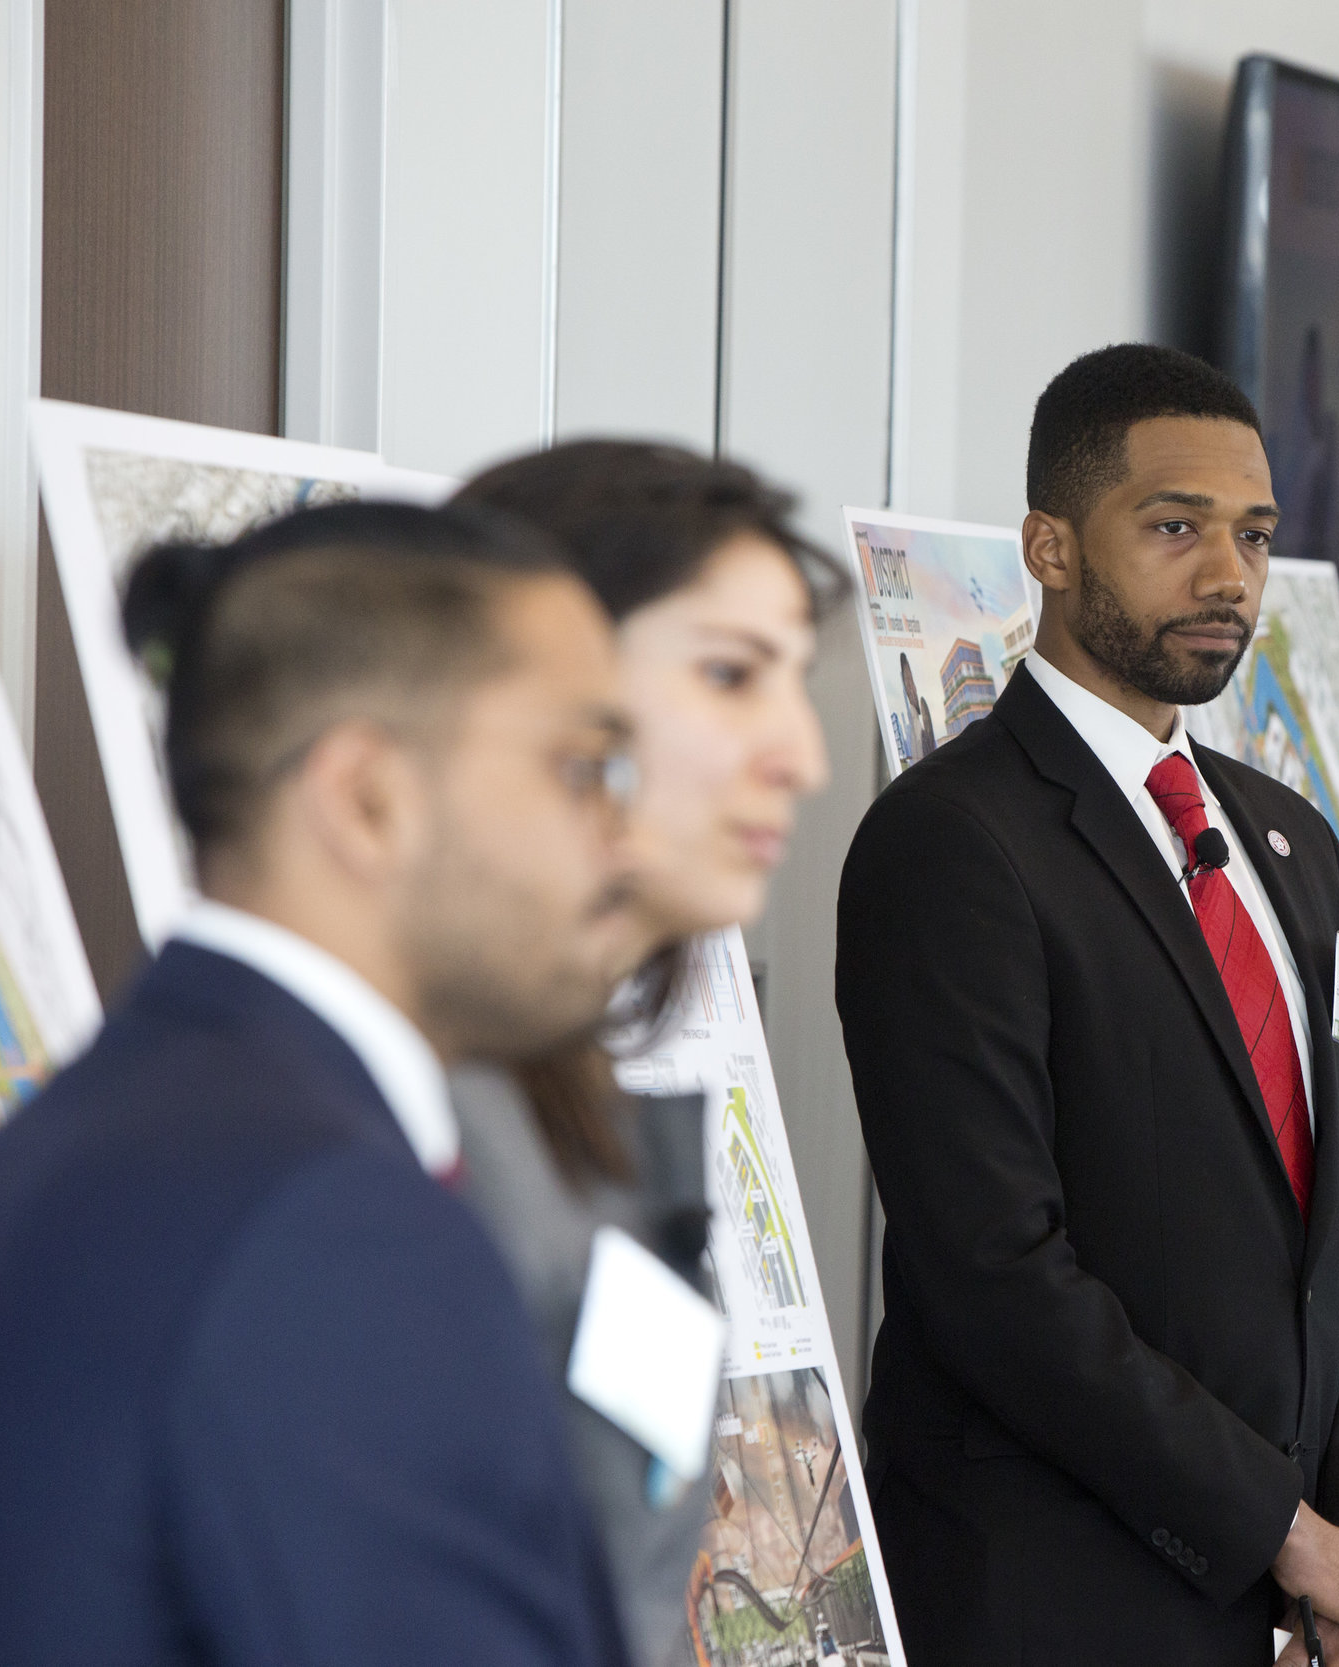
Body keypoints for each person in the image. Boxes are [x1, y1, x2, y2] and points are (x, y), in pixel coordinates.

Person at [0, 503, 640, 1664]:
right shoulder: (339, 1228)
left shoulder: (67, 1139)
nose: (625, 836)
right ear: (366, 797)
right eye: (583, 768)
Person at [834, 344, 1339, 1666]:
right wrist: (1287, 1528)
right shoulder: (953, 842)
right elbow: (997, 1276)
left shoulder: (1291, 842)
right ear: (1048, 544)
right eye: (1175, 527)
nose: (1230, 575)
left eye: (1255, 536)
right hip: (1054, 1593)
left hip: (1290, 1605)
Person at [445, 440, 837, 1667]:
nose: (802, 756)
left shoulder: (584, 1111)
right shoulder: (392, 1132)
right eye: (730, 673)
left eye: (795, 681)